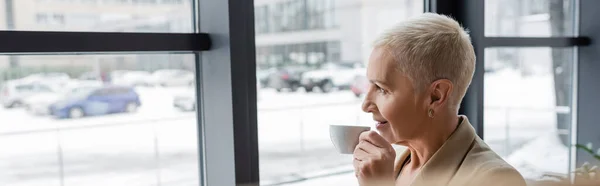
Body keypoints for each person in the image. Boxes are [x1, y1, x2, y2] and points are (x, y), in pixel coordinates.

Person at [353, 13, 527, 186]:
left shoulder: (496, 180)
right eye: (370, 86)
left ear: (436, 96)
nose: (365, 105)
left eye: (382, 89)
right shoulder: (388, 159)